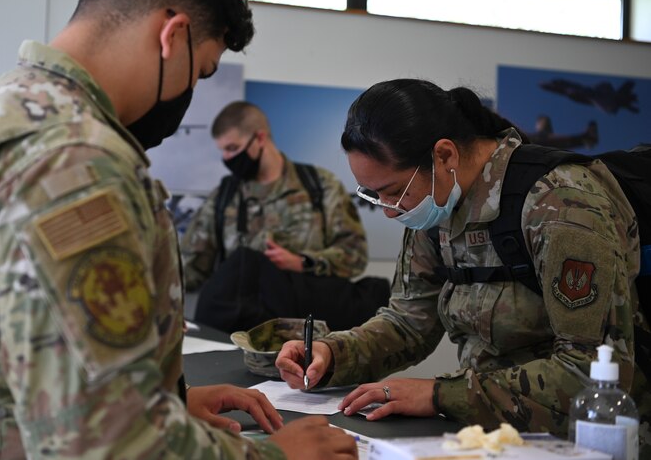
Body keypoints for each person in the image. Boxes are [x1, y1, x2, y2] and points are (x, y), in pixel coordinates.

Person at [0, 0, 357, 458]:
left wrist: (167, 403)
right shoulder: (75, 160)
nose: (190, 94)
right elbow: (105, 444)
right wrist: (277, 456)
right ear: (173, 35)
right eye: (201, 72)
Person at [275, 78, 650, 453]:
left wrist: (442, 395)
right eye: (374, 195)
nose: (389, 210)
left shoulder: (560, 205)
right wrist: (332, 354)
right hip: (492, 435)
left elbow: (592, 371)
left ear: (445, 156)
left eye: (394, 192)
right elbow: (407, 323)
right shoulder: (435, 207)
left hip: (584, 441)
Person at [181, 101, 383, 332]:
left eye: (232, 148)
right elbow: (190, 267)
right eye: (223, 151)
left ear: (259, 138)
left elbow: (354, 255)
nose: (227, 158)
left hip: (309, 335)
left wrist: (303, 262)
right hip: (241, 335)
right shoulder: (224, 197)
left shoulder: (319, 186)